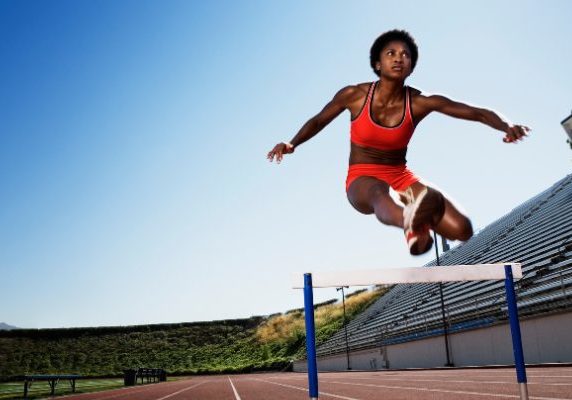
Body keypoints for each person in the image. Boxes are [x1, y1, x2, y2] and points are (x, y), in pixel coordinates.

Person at [267, 29, 529, 255]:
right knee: (381, 191)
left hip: (401, 175)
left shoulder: (419, 102)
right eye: (391, 53)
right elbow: (318, 120)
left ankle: (420, 218)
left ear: (412, 66)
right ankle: (411, 222)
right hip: (362, 179)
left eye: (405, 55)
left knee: (462, 229)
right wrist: (292, 144)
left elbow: (476, 112)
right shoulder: (354, 95)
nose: (398, 58)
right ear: (377, 64)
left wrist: (506, 126)